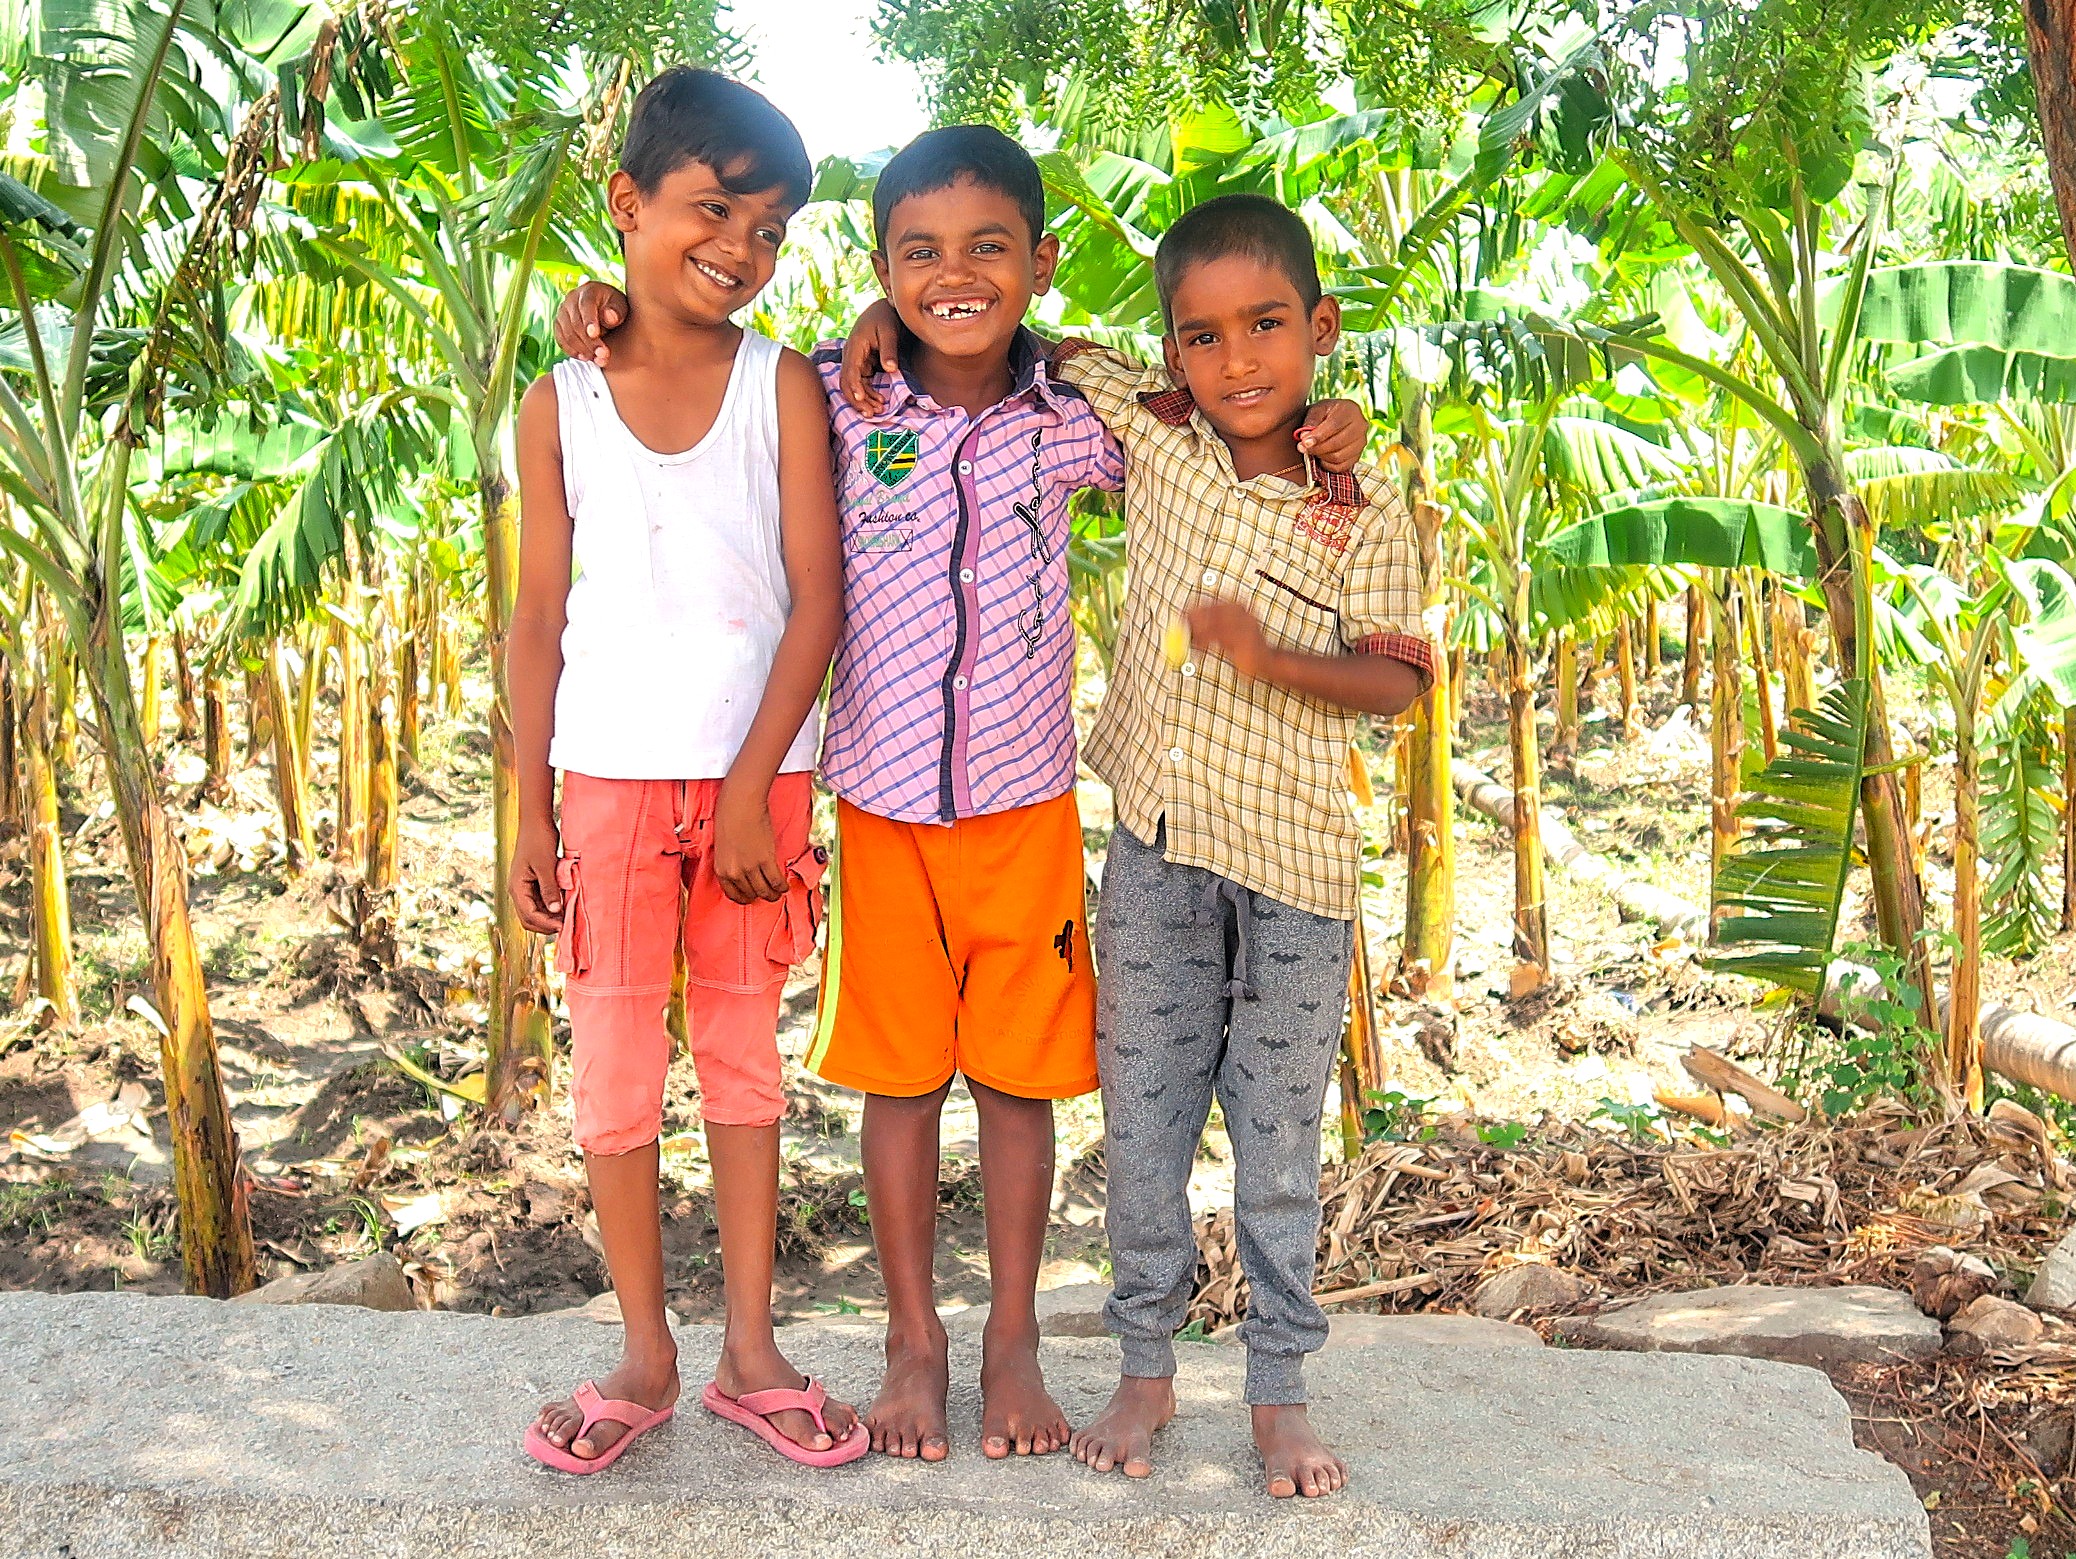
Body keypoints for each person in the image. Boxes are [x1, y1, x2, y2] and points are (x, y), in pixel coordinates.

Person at [556, 131, 1369, 1465]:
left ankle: (1008, 1342)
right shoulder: (828, 394)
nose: (953, 277)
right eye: (916, 254)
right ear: (876, 269)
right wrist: (588, 305)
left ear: (1040, 263)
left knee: (1012, 1084)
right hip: (877, 808)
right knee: (895, 1081)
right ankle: (911, 1343)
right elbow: (678, 352)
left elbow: (1223, 413)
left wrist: (1325, 421)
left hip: (1023, 805)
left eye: (989, 247)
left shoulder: (1080, 416)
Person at [865, 192, 1432, 1498]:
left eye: (1267, 329)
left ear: (1321, 329)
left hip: (1293, 875)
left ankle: (1279, 1396)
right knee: (1144, 1125)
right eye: (1204, 337)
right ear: (1169, 351)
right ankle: (1144, 1371)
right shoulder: (1154, 437)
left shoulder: (1362, 502)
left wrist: (1273, 655)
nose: (1237, 362)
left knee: (1278, 1146)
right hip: (1154, 854)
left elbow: (1400, 682)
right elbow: (1011, 333)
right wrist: (879, 314)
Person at [510, 66, 861, 1474]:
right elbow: (535, 618)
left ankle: (753, 1352)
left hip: (756, 791)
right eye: (712, 210)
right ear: (627, 206)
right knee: (610, 1078)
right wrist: (520, 809)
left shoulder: (783, 383)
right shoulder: (559, 402)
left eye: (769, 229)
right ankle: (643, 1355)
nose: (739, 248)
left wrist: (746, 789)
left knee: (740, 1066)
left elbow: (815, 600)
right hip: (599, 783)